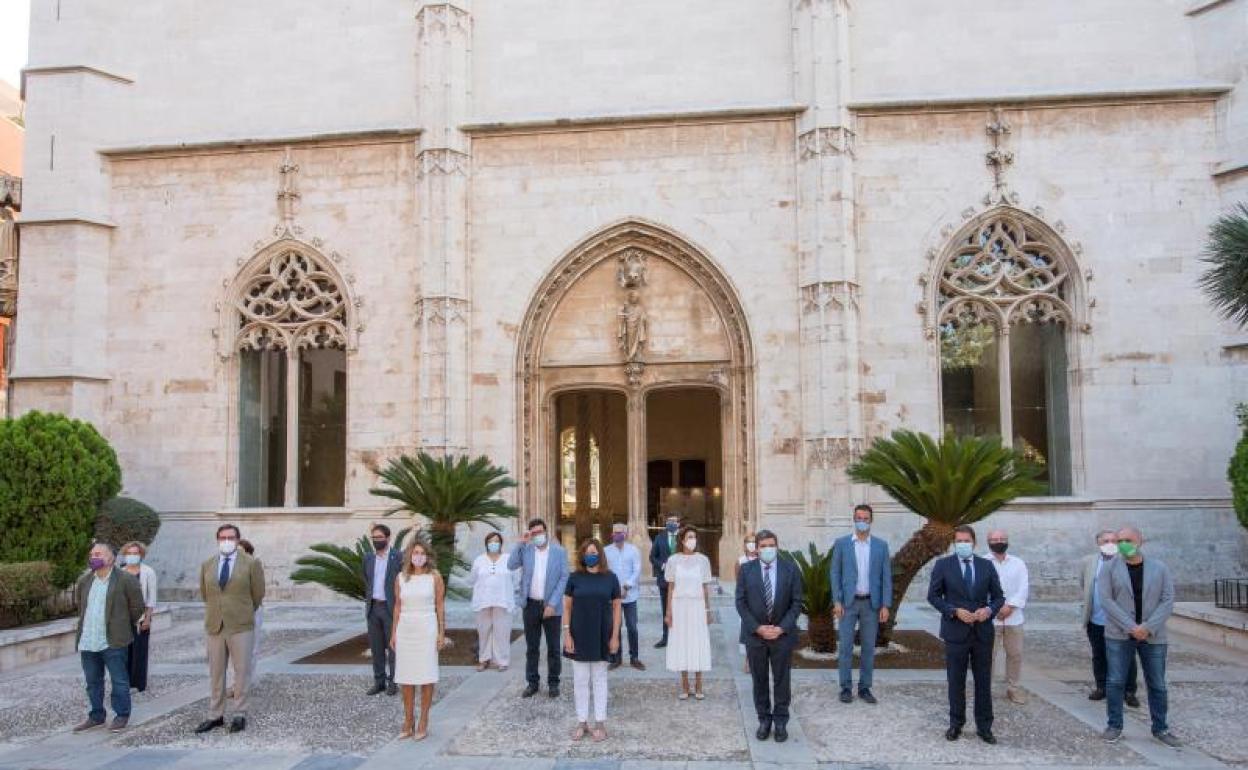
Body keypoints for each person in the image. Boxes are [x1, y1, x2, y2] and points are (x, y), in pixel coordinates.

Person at [1098, 526, 1179, 747]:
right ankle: (1114, 725)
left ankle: (1161, 728)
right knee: (1115, 681)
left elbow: (1168, 600)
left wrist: (1148, 627)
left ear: (1140, 540)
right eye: (1120, 540)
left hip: (1153, 635)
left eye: (1128, 539)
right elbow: (1106, 600)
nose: (1124, 543)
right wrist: (1131, 627)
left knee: (1157, 683)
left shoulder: (1159, 568)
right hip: (1119, 634)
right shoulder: (1108, 568)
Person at [927, 525, 1004, 744]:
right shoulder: (943, 565)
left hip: (982, 633)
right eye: (959, 541)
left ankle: (984, 726)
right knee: (955, 681)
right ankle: (956, 723)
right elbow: (933, 596)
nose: (963, 544)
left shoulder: (986, 565)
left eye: (966, 541)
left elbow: (999, 597)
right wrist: (953, 611)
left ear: (974, 543)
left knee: (983, 681)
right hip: (955, 632)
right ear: (954, 543)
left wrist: (988, 611)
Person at [194, 523, 265, 735]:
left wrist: (241, 611)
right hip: (215, 624)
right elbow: (205, 593)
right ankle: (215, 715)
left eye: (231, 537)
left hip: (241, 625)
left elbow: (258, 594)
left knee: (241, 671)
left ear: (237, 539)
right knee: (216, 672)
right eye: (223, 537)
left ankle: (239, 713)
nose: (227, 541)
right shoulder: (207, 564)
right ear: (217, 540)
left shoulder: (251, 564)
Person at [736, 530, 803, 743]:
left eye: (771, 545)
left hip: (782, 636)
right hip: (756, 636)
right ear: (756, 548)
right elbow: (740, 602)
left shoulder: (790, 569)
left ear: (777, 546)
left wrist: (781, 628)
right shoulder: (746, 570)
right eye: (763, 545)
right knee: (759, 679)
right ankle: (764, 719)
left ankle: (781, 721)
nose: (767, 549)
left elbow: (796, 603)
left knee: (782, 680)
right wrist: (757, 628)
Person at [72, 543, 145, 733]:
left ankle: (121, 715)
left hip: (113, 640)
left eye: (98, 553)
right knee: (92, 681)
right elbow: (80, 605)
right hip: (89, 639)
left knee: (119, 680)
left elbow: (137, 607)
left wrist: (122, 624)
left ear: (111, 557)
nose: (93, 557)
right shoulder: (85, 580)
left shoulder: (125, 579)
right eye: (91, 554)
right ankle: (96, 715)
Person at [830, 504, 892, 704]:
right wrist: (837, 601)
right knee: (845, 647)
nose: (862, 521)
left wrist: (885, 605)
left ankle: (865, 688)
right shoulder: (842, 544)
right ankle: (845, 688)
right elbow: (835, 573)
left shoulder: (881, 546)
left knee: (868, 647)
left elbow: (886, 578)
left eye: (866, 518)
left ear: (871, 521)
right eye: (858, 518)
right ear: (853, 519)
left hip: (871, 605)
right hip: (848, 603)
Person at [563, 538, 622, 742]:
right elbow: (567, 608)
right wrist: (566, 633)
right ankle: (582, 722)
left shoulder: (611, 578)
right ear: (582, 555)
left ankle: (600, 723)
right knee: (580, 680)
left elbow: (617, 608)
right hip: (578, 634)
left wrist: (615, 636)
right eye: (587, 552)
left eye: (594, 552)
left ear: (600, 555)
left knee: (599, 679)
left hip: (601, 635)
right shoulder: (574, 578)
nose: (591, 555)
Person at [391, 540, 446, 741]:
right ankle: (408, 720)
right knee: (406, 677)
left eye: (422, 553)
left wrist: (441, 632)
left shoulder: (435, 577)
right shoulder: (400, 578)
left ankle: (423, 720)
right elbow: (397, 606)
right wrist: (393, 633)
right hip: (406, 628)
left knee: (426, 675)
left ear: (428, 556)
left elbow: (440, 606)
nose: (419, 556)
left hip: (427, 628)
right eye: (415, 552)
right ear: (409, 555)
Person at [509, 518, 570, 698]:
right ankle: (532, 682)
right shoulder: (526, 550)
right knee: (532, 647)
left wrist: (552, 603)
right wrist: (520, 542)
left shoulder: (559, 552)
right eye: (533, 533)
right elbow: (510, 564)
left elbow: (564, 578)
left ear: (546, 531)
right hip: (531, 605)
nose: (537, 536)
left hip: (551, 606)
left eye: (539, 532)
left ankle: (553, 683)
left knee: (553, 648)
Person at [1082, 529, 1139, 706]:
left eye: (1114, 541)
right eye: (1105, 541)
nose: (1110, 544)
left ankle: (1129, 691)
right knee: (1099, 655)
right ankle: (1102, 687)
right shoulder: (1088, 562)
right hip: (1097, 619)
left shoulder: (1128, 561)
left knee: (1127, 656)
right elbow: (1084, 584)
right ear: (1098, 544)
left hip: (1122, 621)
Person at [665, 525, 714, 699]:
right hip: (679, 607)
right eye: (689, 536)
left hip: (697, 606)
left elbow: (705, 587)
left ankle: (699, 683)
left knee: (698, 641)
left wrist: (708, 610)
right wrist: (668, 612)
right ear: (682, 540)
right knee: (682, 643)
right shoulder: (673, 560)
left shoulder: (703, 560)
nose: (692, 540)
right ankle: (685, 684)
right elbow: (670, 588)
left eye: (694, 536)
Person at [986, 529, 1029, 705]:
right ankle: (985, 690)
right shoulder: (983, 563)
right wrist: (996, 607)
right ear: (988, 542)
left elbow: (1024, 587)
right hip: (991, 617)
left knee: (1015, 654)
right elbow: (981, 589)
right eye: (995, 539)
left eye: (1002, 538)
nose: (999, 541)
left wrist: (1010, 605)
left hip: (1014, 617)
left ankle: (1014, 688)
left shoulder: (1018, 563)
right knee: (988, 655)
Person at [363, 524, 402, 695]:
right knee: (376, 647)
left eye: (379, 537)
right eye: (374, 538)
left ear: (388, 537)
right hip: (373, 608)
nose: (376, 541)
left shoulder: (397, 557)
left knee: (393, 647)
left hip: (390, 608)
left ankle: (394, 682)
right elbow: (366, 579)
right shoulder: (368, 559)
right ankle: (379, 681)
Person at [470, 530, 516, 671]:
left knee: (502, 632)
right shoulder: (479, 560)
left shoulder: (508, 559)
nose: (493, 544)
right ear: (486, 544)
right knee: (483, 632)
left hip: (502, 601)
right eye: (491, 542)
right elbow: (472, 579)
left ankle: (502, 661)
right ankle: (483, 660)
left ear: (501, 543)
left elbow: (516, 579)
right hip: (483, 601)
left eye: (496, 541)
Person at [603, 522, 645, 670]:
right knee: (615, 626)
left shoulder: (633, 550)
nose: (617, 534)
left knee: (632, 627)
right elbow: (605, 572)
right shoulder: (606, 551)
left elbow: (637, 570)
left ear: (626, 534)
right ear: (612, 534)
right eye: (615, 532)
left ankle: (634, 657)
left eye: (620, 532)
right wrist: (614, 589)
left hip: (630, 596)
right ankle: (616, 657)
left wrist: (627, 586)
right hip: (613, 596)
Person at [119, 541, 158, 694]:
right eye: (129, 553)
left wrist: (147, 618)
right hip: (122, 619)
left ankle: (138, 683)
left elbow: (151, 597)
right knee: (123, 651)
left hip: (141, 618)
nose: (132, 556)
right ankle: (124, 681)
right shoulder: (120, 571)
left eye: (135, 553)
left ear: (141, 555)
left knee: (139, 650)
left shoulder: (148, 572)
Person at [649, 514, 681, 648]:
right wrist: (663, 565)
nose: (671, 523)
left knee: (680, 609)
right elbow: (652, 557)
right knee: (666, 609)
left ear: (679, 523)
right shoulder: (659, 538)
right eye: (669, 521)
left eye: (674, 521)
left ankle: (680, 637)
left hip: (681, 581)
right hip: (664, 580)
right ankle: (666, 637)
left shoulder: (684, 537)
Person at [237, 539, 264, 687]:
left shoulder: (254, 566)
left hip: (252, 610)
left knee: (252, 646)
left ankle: (248, 679)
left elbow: (259, 591)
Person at [735, 534, 759, 672]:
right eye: (748, 542)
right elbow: (739, 584)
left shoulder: (763, 560)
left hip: (761, 601)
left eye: (753, 542)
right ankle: (748, 661)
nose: (751, 544)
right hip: (746, 602)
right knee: (746, 630)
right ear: (744, 545)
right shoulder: (740, 561)